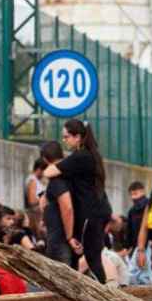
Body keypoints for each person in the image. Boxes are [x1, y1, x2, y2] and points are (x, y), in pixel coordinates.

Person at [43, 120, 111, 283]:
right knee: (93, 257)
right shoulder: (89, 155)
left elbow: (49, 171)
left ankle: (105, 295)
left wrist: (69, 236)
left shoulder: (80, 156)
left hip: (90, 215)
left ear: (78, 137)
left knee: (92, 258)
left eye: (66, 137)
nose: (64, 141)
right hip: (98, 213)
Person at [38, 141, 77, 265]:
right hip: (65, 235)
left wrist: (69, 236)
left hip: (59, 238)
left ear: (45, 159)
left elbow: (67, 207)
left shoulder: (57, 180)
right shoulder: (70, 175)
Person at [125, 181, 148, 252]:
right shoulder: (132, 211)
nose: (133, 197)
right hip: (137, 247)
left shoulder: (148, 206)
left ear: (143, 192)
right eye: (131, 195)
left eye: (135, 194)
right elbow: (129, 232)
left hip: (145, 247)